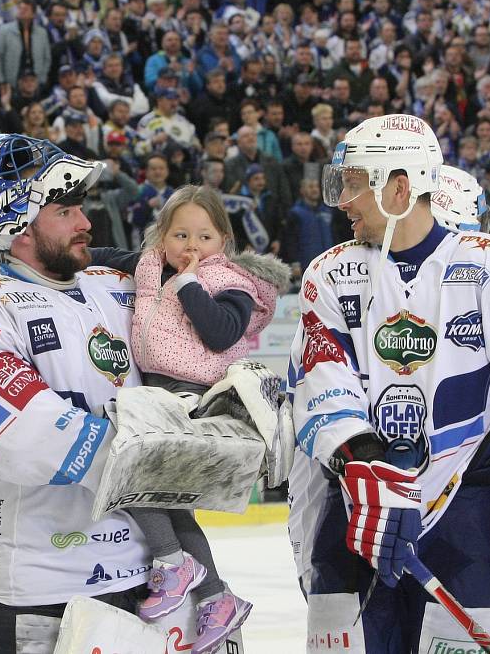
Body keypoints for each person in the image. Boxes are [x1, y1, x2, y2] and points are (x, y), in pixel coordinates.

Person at [287, 114, 490, 652]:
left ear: (399, 187)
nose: (343, 201)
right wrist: (367, 465)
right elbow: (324, 379)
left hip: (470, 517)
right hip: (360, 515)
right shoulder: (330, 273)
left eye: (354, 184)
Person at [0, 134, 151, 652]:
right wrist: (166, 461)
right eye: (66, 210)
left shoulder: (116, 286)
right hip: (41, 592)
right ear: (17, 224)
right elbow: (26, 437)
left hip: (149, 582)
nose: (86, 223)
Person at [89, 185, 289, 654]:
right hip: (158, 393)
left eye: (204, 237)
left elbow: (221, 334)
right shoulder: (149, 264)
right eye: (180, 235)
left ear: (224, 241)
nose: (191, 247)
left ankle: (172, 562)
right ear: (161, 236)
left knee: (129, 466)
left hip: (193, 398)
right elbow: (97, 253)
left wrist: (190, 284)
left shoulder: (230, 280)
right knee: (172, 505)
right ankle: (217, 597)